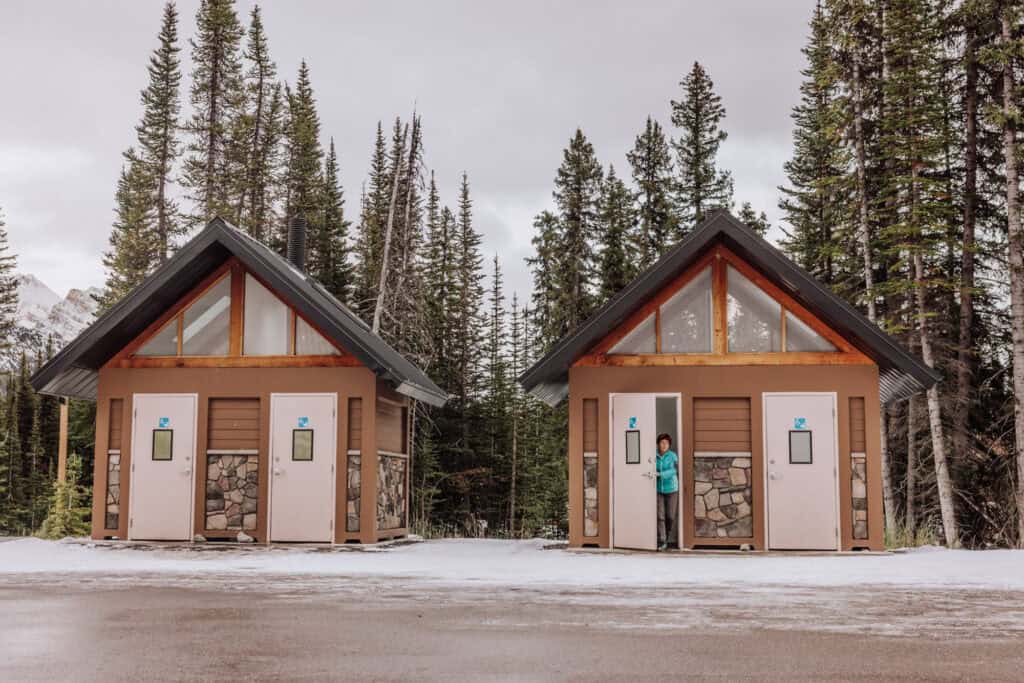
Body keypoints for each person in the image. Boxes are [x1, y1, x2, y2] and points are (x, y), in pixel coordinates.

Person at [655, 433, 679, 551]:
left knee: (670, 516)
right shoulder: (654, 455)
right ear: (658, 444)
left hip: (672, 489)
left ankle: (668, 536)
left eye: (666, 443)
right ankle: (663, 541)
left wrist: (661, 474)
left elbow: (674, 470)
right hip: (658, 489)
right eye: (661, 443)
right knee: (660, 516)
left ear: (669, 445)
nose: (663, 445)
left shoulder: (673, 456)